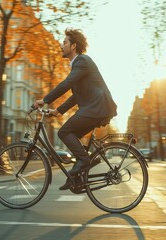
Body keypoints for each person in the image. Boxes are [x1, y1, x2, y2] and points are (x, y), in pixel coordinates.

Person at [34, 28, 117, 190]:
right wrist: (58, 111)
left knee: (64, 132)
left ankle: (84, 162)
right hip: (95, 107)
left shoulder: (82, 62)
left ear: (73, 46)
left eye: (64, 42)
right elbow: (76, 96)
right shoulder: (79, 66)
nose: (61, 45)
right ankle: (78, 177)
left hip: (97, 107)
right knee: (71, 136)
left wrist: (45, 100)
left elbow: (66, 84)